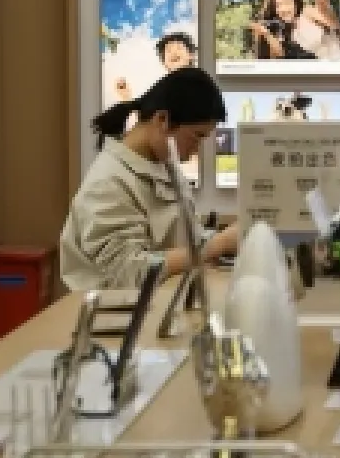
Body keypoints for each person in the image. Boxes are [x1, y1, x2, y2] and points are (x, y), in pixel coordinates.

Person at [60, 67, 239, 291]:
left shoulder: (165, 166)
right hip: (118, 308)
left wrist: (228, 239)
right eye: (196, 137)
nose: (196, 149)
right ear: (162, 119)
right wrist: (219, 244)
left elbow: (187, 240)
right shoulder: (108, 182)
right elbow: (130, 272)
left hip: (164, 299)